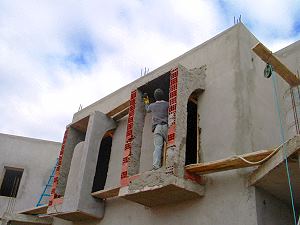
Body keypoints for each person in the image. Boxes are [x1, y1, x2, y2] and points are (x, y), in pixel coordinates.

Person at [144, 89, 169, 170]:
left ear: (155, 97)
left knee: (158, 147)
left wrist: (146, 99)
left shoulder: (152, 105)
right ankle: (170, 164)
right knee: (171, 145)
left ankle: (156, 166)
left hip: (157, 128)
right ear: (163, 96)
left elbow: (147, 109)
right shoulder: (167, 104)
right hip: (166, 127)